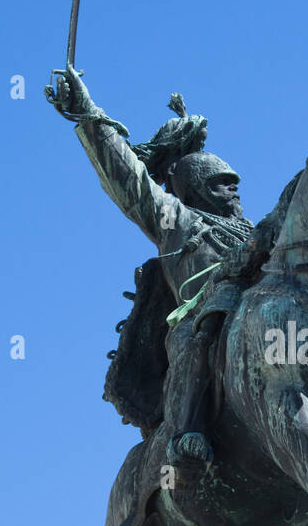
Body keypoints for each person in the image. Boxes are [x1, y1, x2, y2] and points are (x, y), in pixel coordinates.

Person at [48, 64, 253, 479]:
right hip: (202, 328)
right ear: (193, 188)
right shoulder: (177, 220)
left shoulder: (256, 231)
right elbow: (130, 179)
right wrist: (89, 115)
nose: (233, 189)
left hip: (263, 322)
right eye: (220, 183)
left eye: (234, 182)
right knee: (195, 333)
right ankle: (188, 433)